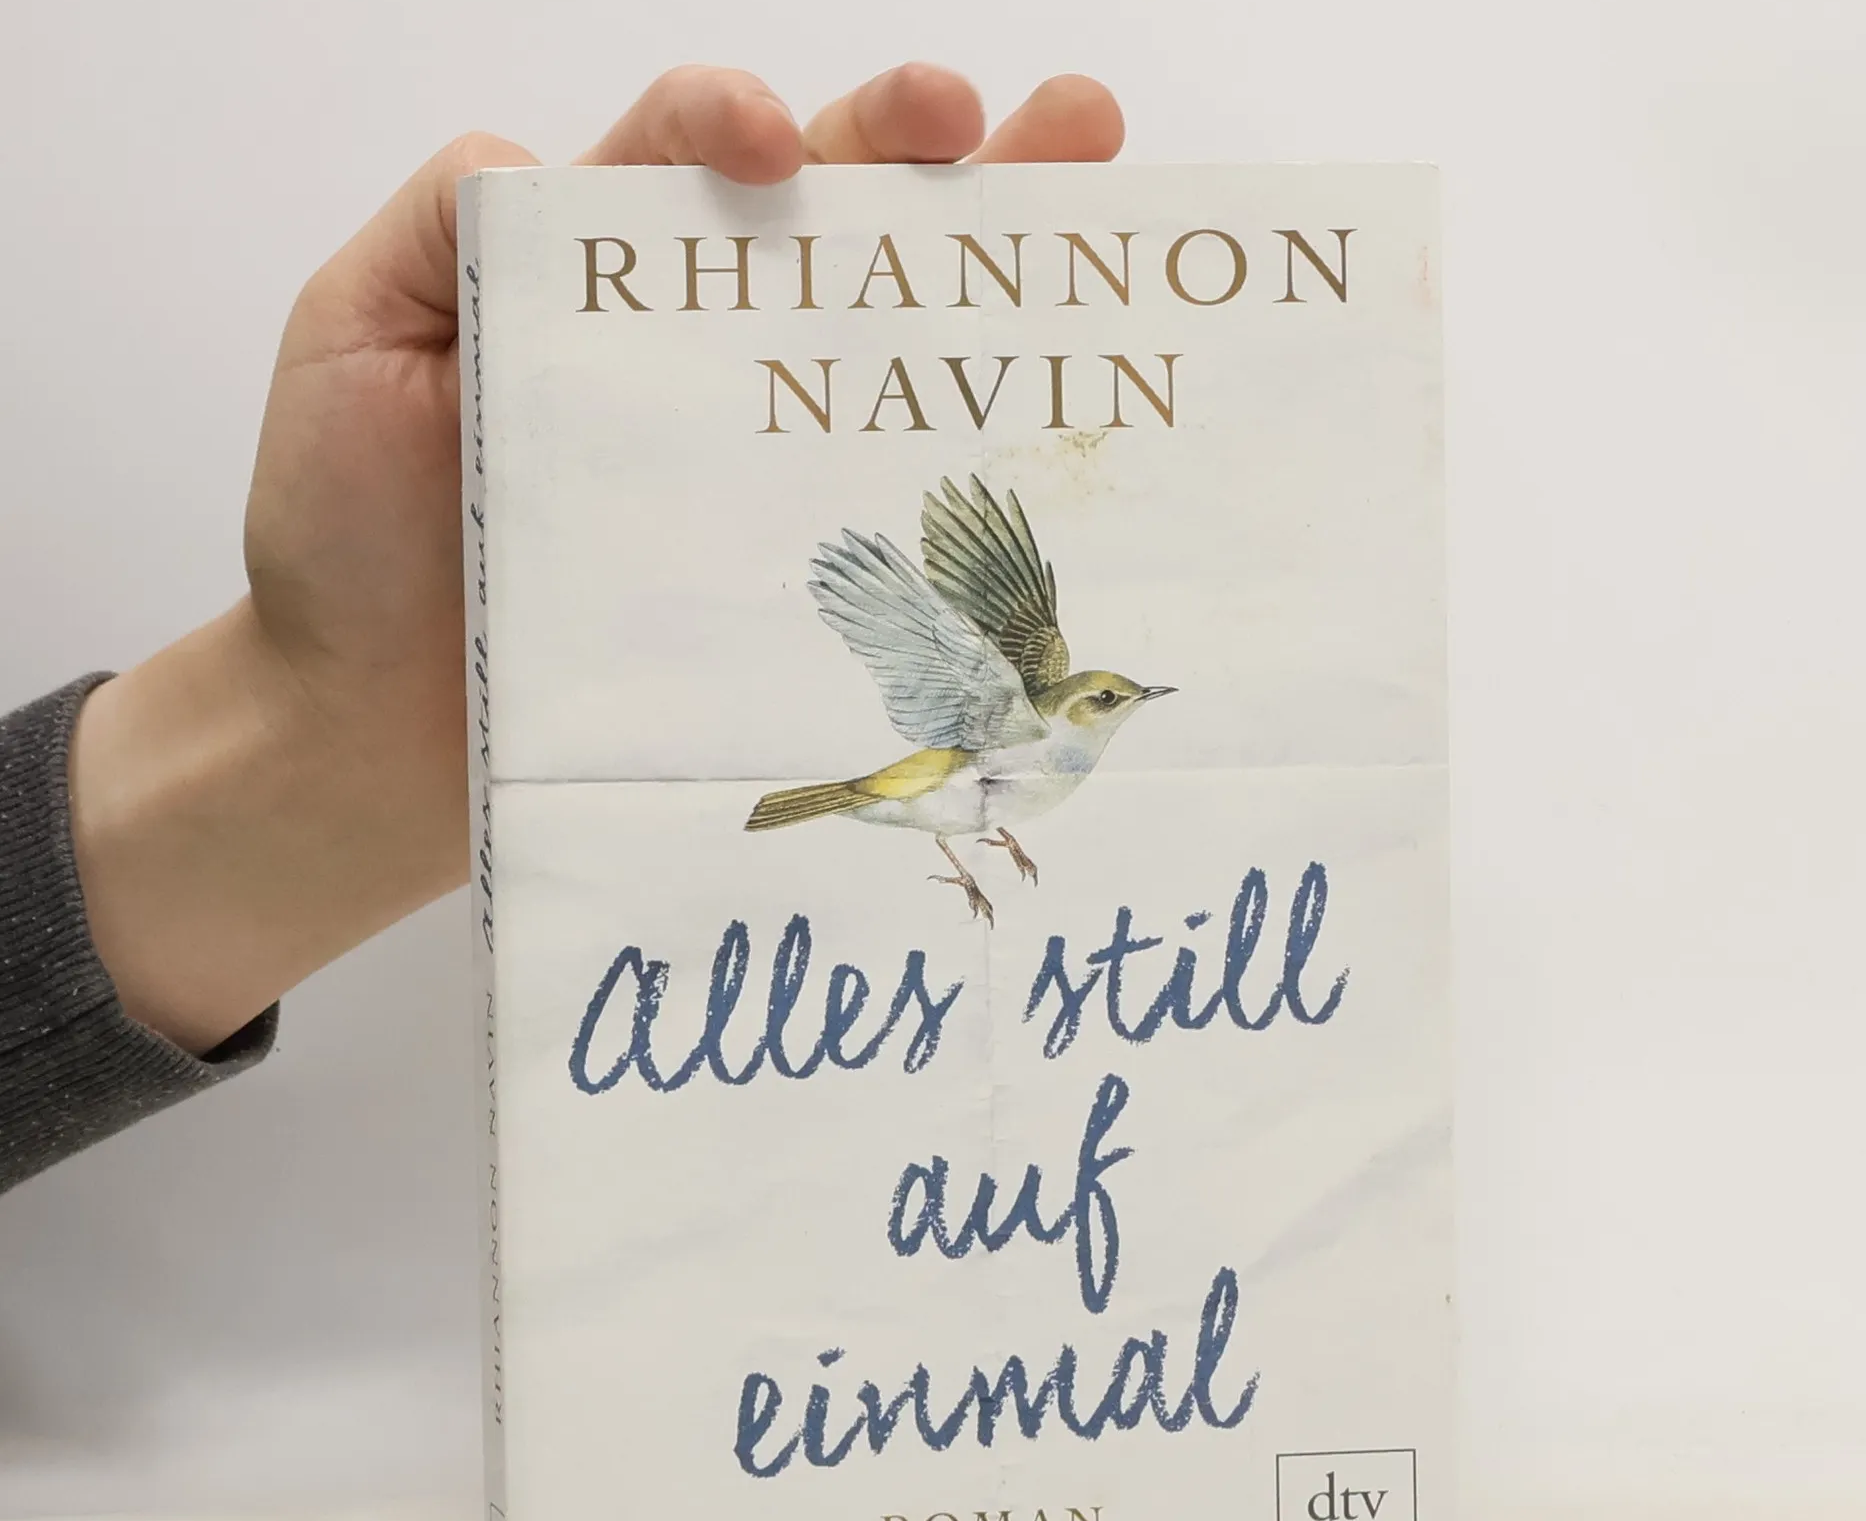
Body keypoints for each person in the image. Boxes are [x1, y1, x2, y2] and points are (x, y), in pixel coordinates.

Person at [0, 63, 1124, 1194]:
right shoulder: (1023, 708)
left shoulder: (1047, 704)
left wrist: (333, 734)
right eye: (1107, 701)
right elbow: (953, 657)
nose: (1115, 705)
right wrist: (320, 711)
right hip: (929, 786)